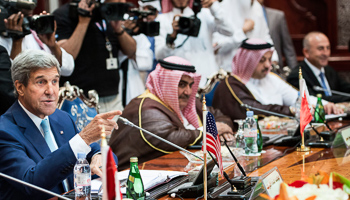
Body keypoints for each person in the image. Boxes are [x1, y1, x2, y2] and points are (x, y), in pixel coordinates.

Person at [0, 50, 121, 199]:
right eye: (40, 82)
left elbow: (99, 152)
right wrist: (84, 138)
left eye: (55, 81)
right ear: (20, 87)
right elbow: (31, 182)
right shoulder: (5, 131)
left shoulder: (62, 118)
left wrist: (98, 156)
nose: (51, 91)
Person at [109, 56, 234, 170]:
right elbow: (170, 139)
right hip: (134, 177)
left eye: (191, 85)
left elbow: (218, 115)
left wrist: (223, 128)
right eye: (182, 84)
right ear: (165, 83)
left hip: (172, 170)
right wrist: (210, 130)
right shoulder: (145, 107)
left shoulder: (187, 102)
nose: (188, 91)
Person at [212, 38, 342, 123]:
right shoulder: (231, 84)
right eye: (261, 61)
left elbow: (298, 97)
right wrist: (291, 111)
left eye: (269, 60)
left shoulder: (271, 78)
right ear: (249, 61)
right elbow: (255, 110)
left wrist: (324, 105)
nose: (268, 65)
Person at [53, 0, 137, 112]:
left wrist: (118, 28)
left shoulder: (106, 10)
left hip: (112, 97)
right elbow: (66, 57)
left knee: (117, 129)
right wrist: (83, 22)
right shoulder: (63, 14)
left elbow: (131, 51)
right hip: (80, 100)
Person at [154, 0, 233, 86]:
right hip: (179, 85)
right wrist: (171, 37)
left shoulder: (204, 14)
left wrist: (214, 6)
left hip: (207, 81)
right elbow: (159, 56)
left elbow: (229, 31)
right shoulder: (162, 20)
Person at [287, 32, 350, 103]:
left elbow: (345, 88)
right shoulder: (297, 75)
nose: (326, 53)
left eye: (328, 48)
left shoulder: (329, 70)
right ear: (306, 52)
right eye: (321, 48)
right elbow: (314, 99)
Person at [257, 0, 298, 68]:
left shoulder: (277, 16)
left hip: (274, 66)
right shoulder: (242, 17)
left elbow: (288, 48)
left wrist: (295, 73)